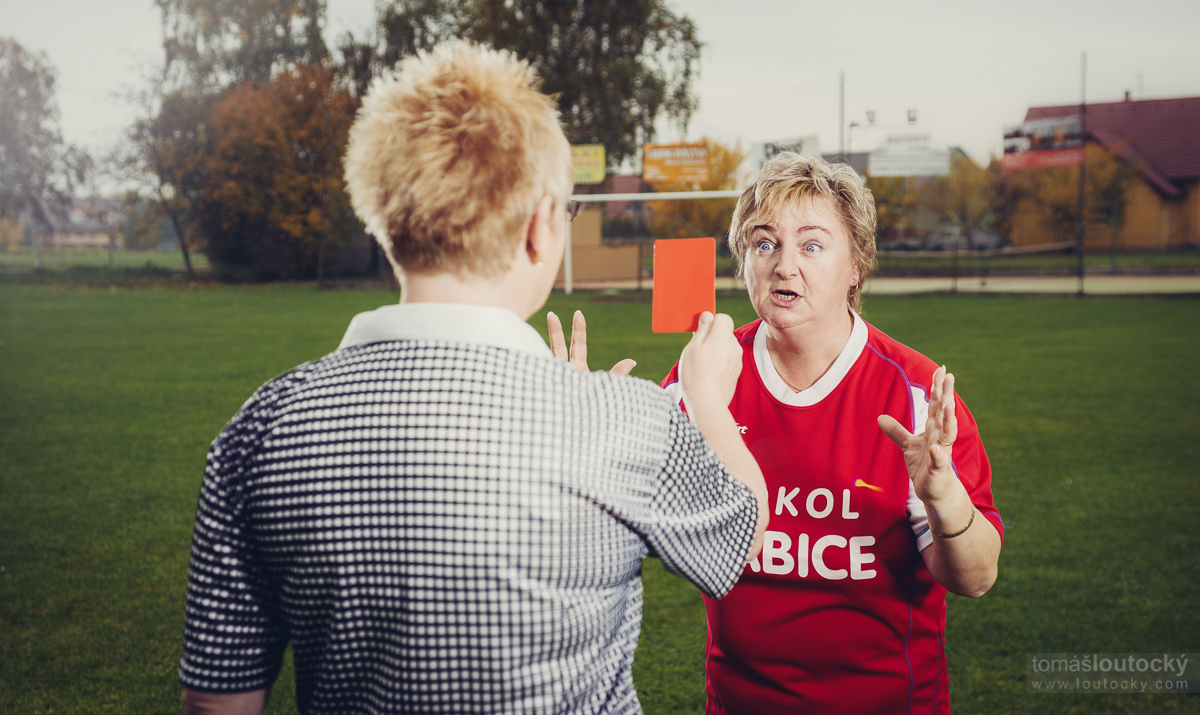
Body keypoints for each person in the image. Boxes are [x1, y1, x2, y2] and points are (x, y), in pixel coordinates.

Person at [177, 40, 768, 714]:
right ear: (541, 226)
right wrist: (706, 398)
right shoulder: (627, 420)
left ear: (384, 219)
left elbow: (217, 702)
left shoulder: (261, 429)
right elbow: (741, 541)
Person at [660, 152, 1004, 714]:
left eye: (812, 246)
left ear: (857, 265)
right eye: (765, 243)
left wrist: (943, 495)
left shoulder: (917, 395)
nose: (784, 266)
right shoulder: (701, 379)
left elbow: (977, 577)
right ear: (744, 262)